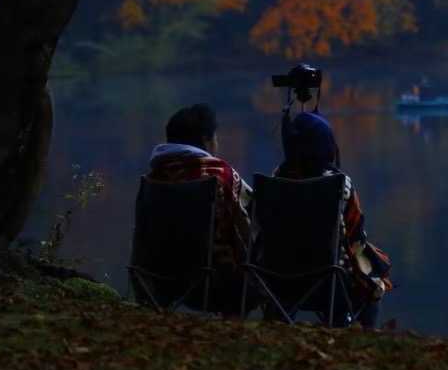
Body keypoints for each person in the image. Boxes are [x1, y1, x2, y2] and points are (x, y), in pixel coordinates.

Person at [271, 111, 392, 326]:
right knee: (371, 279)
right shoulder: (338, 184)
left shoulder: (274, 180)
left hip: (278, 279)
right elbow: (356, 240)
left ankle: (280, 322)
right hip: (330, 283)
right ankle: (362, 334)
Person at [134, 103, 251, 314]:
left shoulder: (153, 180)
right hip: (216, 285)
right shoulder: (219, 175)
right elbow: (249, 223)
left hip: (161, 282)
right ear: (206, 142)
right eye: (215, 137)